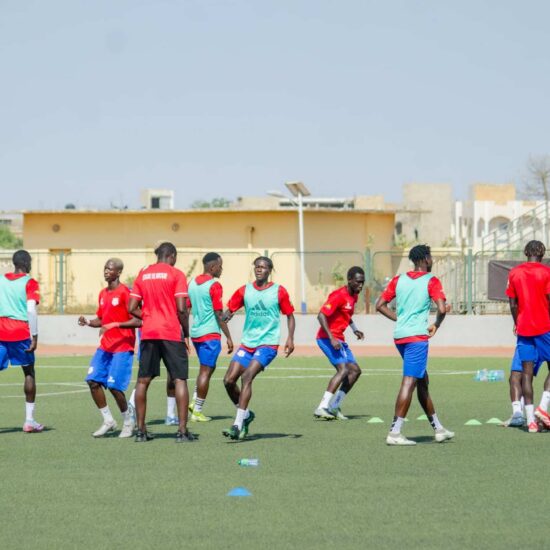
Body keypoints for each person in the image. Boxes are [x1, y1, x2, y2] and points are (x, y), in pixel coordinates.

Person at [376, 244, 454, 446]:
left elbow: (380, 305)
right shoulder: (431, 280)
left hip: (400, 337)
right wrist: (437, 324)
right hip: (417, 338)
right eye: (431, 257)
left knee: (422, 380)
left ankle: (438, 429)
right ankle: (395, 432)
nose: (432, 260)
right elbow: (442, 309)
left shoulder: (398, 279)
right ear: (426, 259)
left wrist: (400, 319)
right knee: (409, 381)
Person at [222, 256, 295, 440]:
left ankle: (237, 424)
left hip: (268, 344)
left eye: (263, 267)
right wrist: (224, 318)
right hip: (247, 344)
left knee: (247, 376)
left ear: (270, 270)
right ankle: (246, 415)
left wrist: (290, 338)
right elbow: (228, 311)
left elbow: (290, 315)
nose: (259, 269)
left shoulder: (279, 291)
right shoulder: (244, 290)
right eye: (257, 266)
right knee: (228, 381)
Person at [128, 242, 193, 443]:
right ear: (172, 255)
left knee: (142, 381)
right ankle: (182, 432)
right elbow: (181, 309)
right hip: (170, 332)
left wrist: (148, 317)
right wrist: (186, 333)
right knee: (179, 379)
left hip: (149, 332)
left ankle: (141, 431)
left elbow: (131, 307)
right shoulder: (176, 274)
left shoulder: (143, 273)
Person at [78, 258, 141, 438]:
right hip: (106, 347)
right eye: (105, 268)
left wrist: (115, 325)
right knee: (92, 381)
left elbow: (138, 320)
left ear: (118, 272)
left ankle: (128, 420)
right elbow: (101, 319)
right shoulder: (103, 294)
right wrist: (88, 322)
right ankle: (108, 420)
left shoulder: (125, 293)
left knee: (114, 386)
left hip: (123, 347)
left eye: (110, 269)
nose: (106, 271)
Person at [506, 240, 550, 433]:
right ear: (542, 252)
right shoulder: (546, 272)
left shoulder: (514, 273)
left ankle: (531, 421)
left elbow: (512, 303)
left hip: (524, 328)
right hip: (544, 326)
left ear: (525, 252)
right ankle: (543, 407)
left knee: (526, 373)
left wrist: (517, 322)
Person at [314, 266, 365, 420]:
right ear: (349, 280)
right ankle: (322, 407)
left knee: (355, 371)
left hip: (339, 339)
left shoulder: (354, 296)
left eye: (362, 282)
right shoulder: (338, 295)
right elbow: (321, 315)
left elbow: (346, 314)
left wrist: (355, 329)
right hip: (326, 338)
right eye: (357, 282)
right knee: (343, 370)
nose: (360, 285)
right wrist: (331, 338)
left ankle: (335, 406)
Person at [0, 250, 43, 432]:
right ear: (26, 262)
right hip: (20, 332)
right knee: (29, 373)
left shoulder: (1, 280)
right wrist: (35, 336)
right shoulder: (30, 282)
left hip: (1, 330)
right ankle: (29, 421)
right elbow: (31, 310)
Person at [187, 252, 233, 422]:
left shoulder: (192, 283)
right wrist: (229, 337)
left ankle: (194, 401)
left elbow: (186, 308)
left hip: (196, 333)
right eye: (220, 266)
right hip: (210, 334)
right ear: (213, 267)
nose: (222, 270)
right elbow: (218, 314)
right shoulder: (214, 285)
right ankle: (197, 411)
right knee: (206, 371)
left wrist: (185, 333)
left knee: (206, 369)